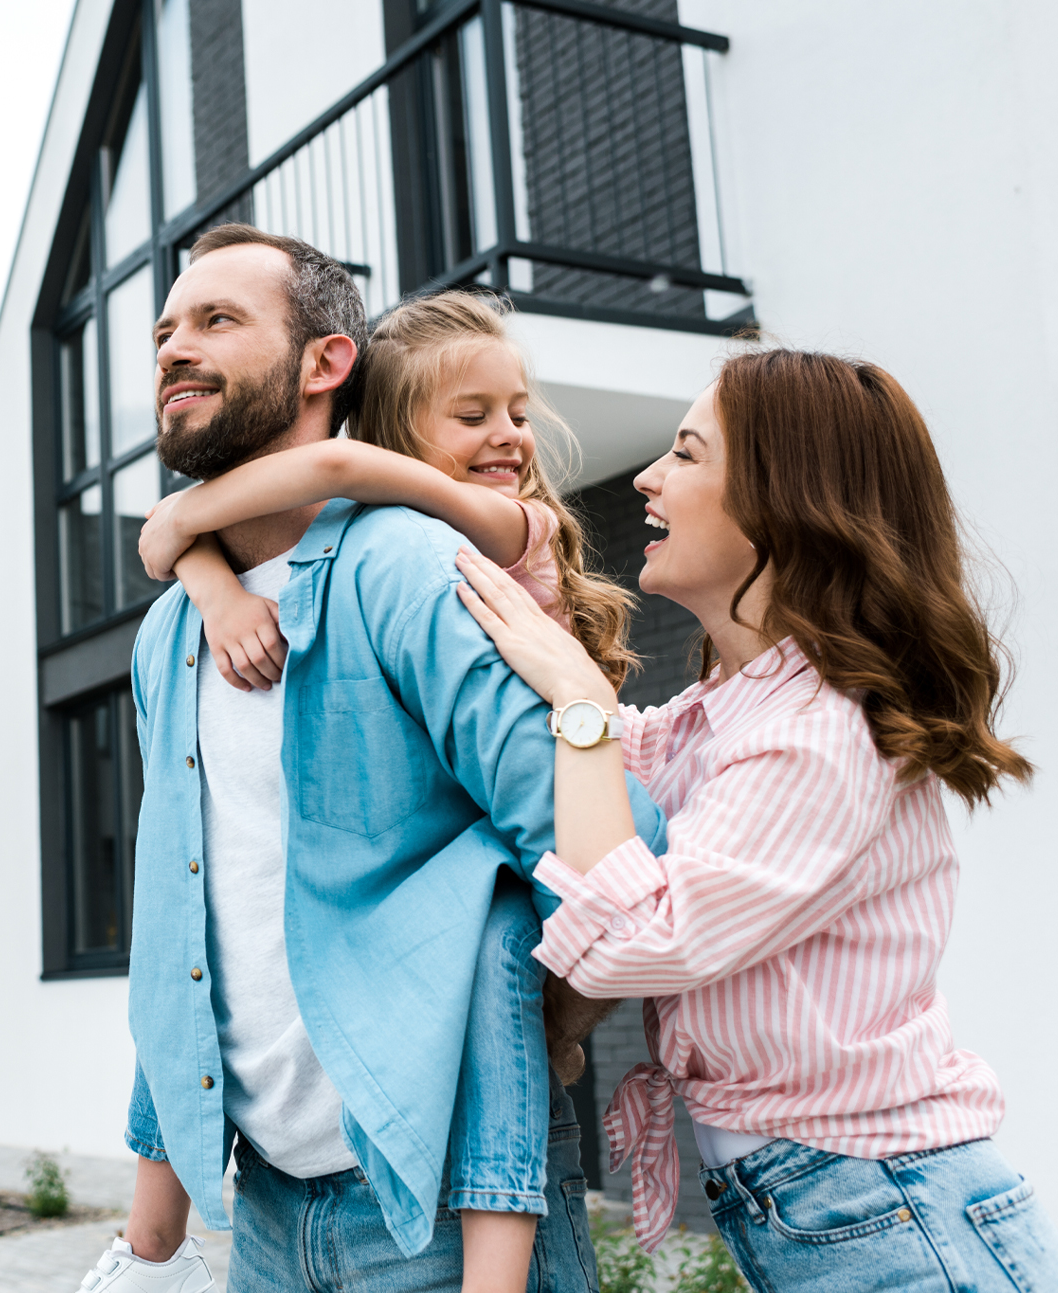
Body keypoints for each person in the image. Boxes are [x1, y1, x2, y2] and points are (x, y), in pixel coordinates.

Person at [77, 224, 665, 1293]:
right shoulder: (170, 632)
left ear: (326, 363)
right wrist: (149, 1239)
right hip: (264, 1214)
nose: (173, 348)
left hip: (445, 1215)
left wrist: (544, 1027)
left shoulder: (409, 567)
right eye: (164, 331)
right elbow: (183, 932)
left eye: (217, 320)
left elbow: (604, 848)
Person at [453, 349, 1058, 1291]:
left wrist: (578, 698)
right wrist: (538, 613)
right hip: (848, 1203)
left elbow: (628, 940)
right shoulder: (733, 708)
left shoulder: (820, 731)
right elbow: (609, 765)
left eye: (687, 453)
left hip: (888, 1212)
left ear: (785, 503)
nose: (648, 477)